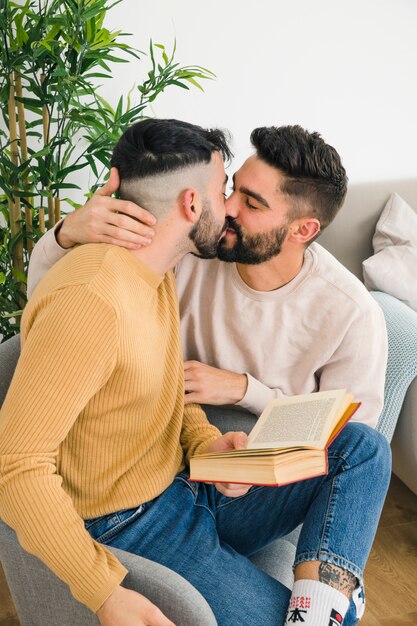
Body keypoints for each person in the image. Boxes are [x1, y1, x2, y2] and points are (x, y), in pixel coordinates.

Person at [23, 123, 391, 626]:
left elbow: (163, 384)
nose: (232, 207)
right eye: (228, 189)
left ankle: (326, 600)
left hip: (193, 481)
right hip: (136, 517)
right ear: (193, 205)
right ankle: (333, 607)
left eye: (250, 201)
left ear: (303, 229)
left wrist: (205, 443)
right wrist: (103, 591)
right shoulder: (125, 285)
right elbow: (16, 462)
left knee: (363, 448)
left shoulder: (165, 269)